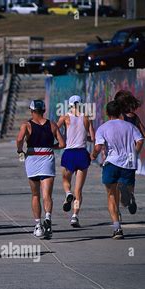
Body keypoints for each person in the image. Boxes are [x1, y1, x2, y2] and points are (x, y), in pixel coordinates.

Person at [90, 101, 144, 239]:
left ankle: (117, 228)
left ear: (107, 113)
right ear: (120, 112)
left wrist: (93, 155)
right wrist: (135, 152)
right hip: (129, 164)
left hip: (112, 163)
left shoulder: (103, 128)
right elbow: (140, 140)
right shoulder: (130, 126)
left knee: (111, 195)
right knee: (125, 192)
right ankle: (130, 195)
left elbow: (98, 147)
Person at [16, 100, 65, 239]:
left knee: (35, 195)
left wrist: (20, 149)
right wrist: (51, 147)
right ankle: (48, 217)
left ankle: (38, 225)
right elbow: (62, 144)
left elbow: (19, 139)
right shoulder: (52, 125)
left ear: (31, 111)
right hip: (47, 158)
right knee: (47, 195)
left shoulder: (26, 125)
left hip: (32, 158)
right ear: (43, 110)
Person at [57, 95, 95, 227]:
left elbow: (54, 130)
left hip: (69, 153)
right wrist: (84, 137)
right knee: (78, 190)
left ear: (70, 104)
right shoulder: (87, 117)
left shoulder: (65, 117)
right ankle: (74, 216)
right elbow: (93, 137)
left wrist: (62, 138)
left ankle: (68, 193)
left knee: (66, 181)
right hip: (82, 153)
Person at [114, 90, 145, 214]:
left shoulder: (119, 118)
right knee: (130, 179)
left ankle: (117, 209)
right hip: (132, 154)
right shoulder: (134, 118)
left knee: (117, 182)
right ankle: (131, 196)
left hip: (119, 153)